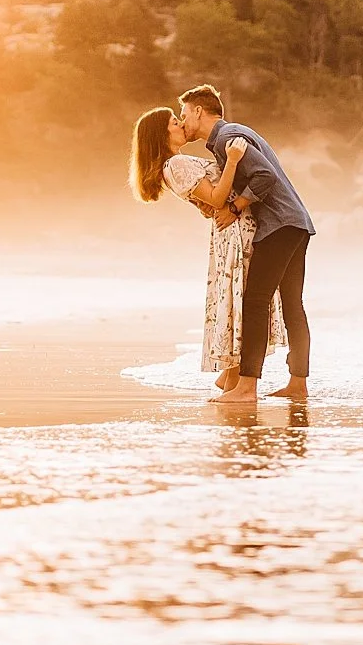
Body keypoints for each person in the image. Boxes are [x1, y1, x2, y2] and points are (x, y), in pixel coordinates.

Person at [175, 84, 314, 406]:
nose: (183, 123)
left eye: (184, 115)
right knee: (293, 305)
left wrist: (236, 206)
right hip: (295, 222)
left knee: (255, 302)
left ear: (198, 111)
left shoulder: (226, 139)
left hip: (278, 225)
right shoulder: (233, 134)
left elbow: (264, 176)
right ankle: (297, 384)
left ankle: (247, 387)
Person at [129, 106, 286, 391]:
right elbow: (216, 197)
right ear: (161, 135)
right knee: (241, 300)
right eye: (175, 122)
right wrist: (234, 161)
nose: (181, 125)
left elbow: (205, 202)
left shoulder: (177, 164)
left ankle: (230, 374)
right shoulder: (175, 165)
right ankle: (235, 377)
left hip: (232, 228)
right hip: (235, 232)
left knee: (238, 298)